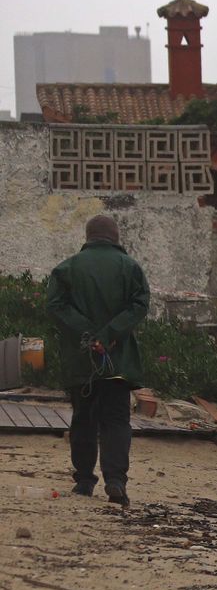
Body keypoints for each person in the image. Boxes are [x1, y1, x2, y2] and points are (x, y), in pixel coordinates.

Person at [45, 215, 150, 507]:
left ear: (88, 236)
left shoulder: (67, 268)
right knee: (116, 421)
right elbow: (140, 304)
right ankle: (115, 481)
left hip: (82, 362)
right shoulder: (130, 268)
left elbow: (54, 305)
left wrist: (89, 335)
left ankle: (83, 482)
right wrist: (110, 333)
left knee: (83, 419)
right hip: (117, 362)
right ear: (115, 237)